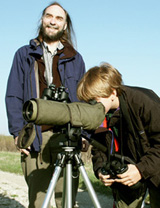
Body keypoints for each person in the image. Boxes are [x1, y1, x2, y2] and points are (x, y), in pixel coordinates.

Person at [5, 2, 87, 208]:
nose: (53, 21)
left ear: (65, 25)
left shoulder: (76, 59)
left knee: (65, 199)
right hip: (35, 136)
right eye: (49, 16)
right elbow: (13, 95)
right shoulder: (24, 55)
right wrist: (17, 132)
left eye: (59, 18)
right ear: (42, 20)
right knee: (37, 200)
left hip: (66, 136)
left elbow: (83, 99)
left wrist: (84, 134)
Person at [77, 62, 160, 208]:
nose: (92, 107)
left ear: (113, 92)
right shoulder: (99, 114)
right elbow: (99, 147)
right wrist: (101, 169)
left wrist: (141, 170)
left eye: (95, 101)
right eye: (88, 102)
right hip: (127, 176)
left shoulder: (144, 102)